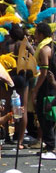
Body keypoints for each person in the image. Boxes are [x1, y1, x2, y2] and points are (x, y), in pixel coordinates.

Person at [31, 22, 56, 159]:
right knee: (49, 114)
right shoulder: (52, 45)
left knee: (44, 113)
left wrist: (35, 90)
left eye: (36, 34)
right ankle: (49, 144)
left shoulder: (43, 50)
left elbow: (44, 73)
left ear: (41, 34)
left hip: (46, 87)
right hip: (53, 85)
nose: (35, 36)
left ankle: (51, 145)